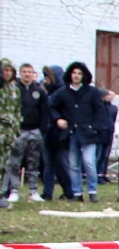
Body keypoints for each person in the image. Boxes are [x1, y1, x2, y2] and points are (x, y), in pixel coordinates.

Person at [48, 62, 105, 202]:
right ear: (70, 75)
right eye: (74, 73)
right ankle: (77, 193)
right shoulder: (62, 92)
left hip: (89, 134)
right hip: (71, 133)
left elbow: (100, 111)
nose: (76, 76)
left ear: (84, 76)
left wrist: (95, 127)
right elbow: (52, 107)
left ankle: (92, 191)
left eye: (79, 73)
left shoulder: (92, 92)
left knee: (89, 162)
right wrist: (58, 120)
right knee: (73, 164)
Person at [3, 63, 47, 203]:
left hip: (35, 131)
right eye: (24, 72)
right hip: (19, 131)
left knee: (33, 162)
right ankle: (14, 190)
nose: (27, 74)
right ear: (20, 73)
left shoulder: (39, 91)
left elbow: (44, 112)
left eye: (29, 72)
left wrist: (42, 129)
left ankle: (33, 191)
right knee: (15, 162)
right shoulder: (15, 90)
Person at [39, 65, 69, 201]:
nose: (46, 79)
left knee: (61, 164)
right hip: (48, 131)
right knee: (48, 163)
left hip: (59, 133)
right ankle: (47, 192)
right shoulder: (47, 92)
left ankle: (69, 191)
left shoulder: (62, 92)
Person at [0, 60, 21, 207]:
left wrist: (16, 128)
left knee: (4, 164)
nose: (7, 73)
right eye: (4, 70)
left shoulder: (15, 89)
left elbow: (18, 109)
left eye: (9, 70)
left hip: (10, 131)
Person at [95, 89, 118, 185]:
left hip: (109, 134)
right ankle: (96, 175)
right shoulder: (99, 106)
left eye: (112, 96)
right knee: (98, 156)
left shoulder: (114, 108)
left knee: (105, 156)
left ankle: (103, 174)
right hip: (100, 135)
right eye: (109, 95)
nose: (110, 97)